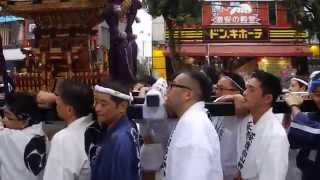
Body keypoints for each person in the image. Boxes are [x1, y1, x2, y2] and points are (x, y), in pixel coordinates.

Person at [162, 70, 223, 180]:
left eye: (172, 85)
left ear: (187, 94)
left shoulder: (194, 127)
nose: (167, 90)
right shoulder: (191, 121)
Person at [235, 70, 289, 180]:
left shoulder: (275, 136)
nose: (245, 93)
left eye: (251, 89)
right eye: (246, 88)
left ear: (267, 98)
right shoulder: (248, 119)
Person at [43, 80, 94, 180]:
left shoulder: (64, 139)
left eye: (58, 97)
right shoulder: (95, 126)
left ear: (69, 110)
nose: (56, 101)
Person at [90, 79, 140, 180]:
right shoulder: (122, 128)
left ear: (122, 106)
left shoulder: (121, 138)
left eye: (103, 104)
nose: (97, 108)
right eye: (96, 102)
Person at [0, 92, 47, 180]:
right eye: (4, 116)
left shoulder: (7, 137)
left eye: (9, 118)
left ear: (25, 121)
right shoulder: (42, 135)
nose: (4, 120)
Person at [285, 71, 320, 180]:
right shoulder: (314, 114)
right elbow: (293, 141)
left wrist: (294, 107)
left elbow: (315, 134)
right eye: (317, 94)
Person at [211, 72, 245, 180]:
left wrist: (238, 97)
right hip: (216, 173)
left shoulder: (242, 112)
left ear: (236, 91)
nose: (216, 92)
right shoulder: (217, 108)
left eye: (221, 88)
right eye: (216, 88)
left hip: (234, 175)